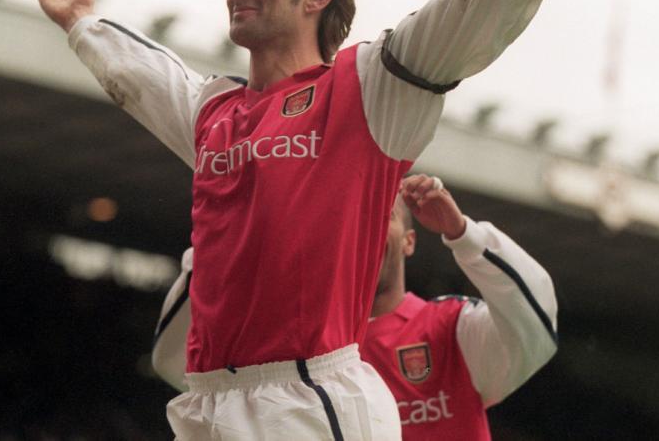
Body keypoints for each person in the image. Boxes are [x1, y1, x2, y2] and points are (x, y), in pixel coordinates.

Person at [27, 0, 659, 440]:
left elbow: (477, 4)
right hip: (209, 404)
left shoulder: (369, 87)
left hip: (308, 401)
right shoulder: (215, 112)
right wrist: (84, 24)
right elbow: (145, 79)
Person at [152, 175, 558, 441]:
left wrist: (464, 235)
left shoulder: (451, 329)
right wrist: (217, 247)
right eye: (351, 218)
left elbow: (537, 326)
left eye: (380, 217)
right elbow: (175, 363)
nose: (363, 230)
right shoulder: (290, 346)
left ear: (410, 241)